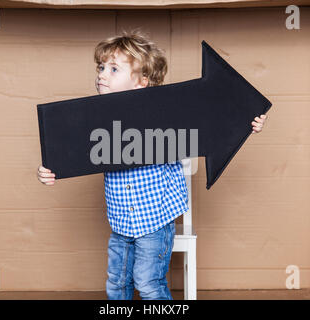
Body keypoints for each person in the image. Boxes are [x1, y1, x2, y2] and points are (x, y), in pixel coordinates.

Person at [37, 30, 268, 299]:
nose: (102, 74)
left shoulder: (167, 113)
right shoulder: (96, 120)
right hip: (120, 222)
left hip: (154, 221)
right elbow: (67, 149)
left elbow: (212, 117)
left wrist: (250, 121)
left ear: (142, 81)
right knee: (116, 284)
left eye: (113, 69)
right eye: (101, 67)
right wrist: (49, 170)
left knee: (148, 283)